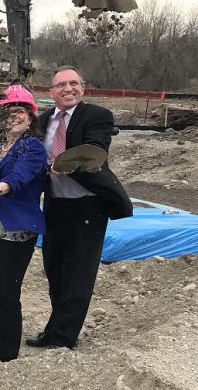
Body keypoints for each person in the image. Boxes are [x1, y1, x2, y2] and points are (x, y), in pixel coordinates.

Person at [26, 66, 132, 349]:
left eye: (74, 83)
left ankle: (62, 337)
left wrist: (63, 164)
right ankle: (54, 329)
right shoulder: (43, 121)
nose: (68, 89)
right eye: (61, 85)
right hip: (54, 206)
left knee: (78, 275)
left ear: (82, 88)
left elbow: (94, 150)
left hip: (88, 206)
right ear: (51, 92)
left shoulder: (97, 116)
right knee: (55, 270)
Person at [0, 84, 47, 362]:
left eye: (20, 111)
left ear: (30, 117)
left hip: (16, 230)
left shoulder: (33, 148)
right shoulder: (1, 147)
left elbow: (19, 177)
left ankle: (9, 349)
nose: (14, 116)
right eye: (9, 111)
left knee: (7, 288)